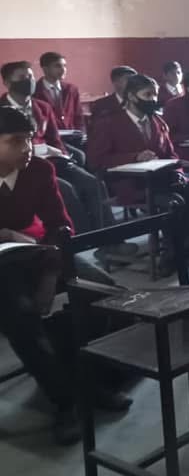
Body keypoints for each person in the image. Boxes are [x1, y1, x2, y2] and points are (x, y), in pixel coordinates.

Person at [0, 108, 131, 445]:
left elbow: (60, 226)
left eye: (30, 139)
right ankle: (65, 402)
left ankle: (89, 380)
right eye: (15, 141)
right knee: (21, 316)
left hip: (37, 253)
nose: (27, 147)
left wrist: (49, 277)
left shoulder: (39, 169)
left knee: (104, 292)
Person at [87, 74, 189, 271]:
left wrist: (179, 171)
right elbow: (96, 160)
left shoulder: (157, 121)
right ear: (131, 96)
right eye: (147, 95)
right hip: (130, 183)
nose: (152, 99)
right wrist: (134, 157)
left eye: (155, 95)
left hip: (162, 179)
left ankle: (187, 247)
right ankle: (172, 254)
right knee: (174, 204)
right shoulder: (109, 122)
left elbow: (170, 154)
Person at [1, 61, 109, 233]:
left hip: (51, 160)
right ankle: (82, 239)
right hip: (21, 165)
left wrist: (62, 156)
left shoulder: (42, 107)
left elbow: (54, 139)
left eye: (30, 76)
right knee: (67, 191)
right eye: (22, 77)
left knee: (92, 183)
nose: (28, 81)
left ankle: (109, 238)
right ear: (7, 82)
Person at [34, 51, 83, 131]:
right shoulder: (34, 90)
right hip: (48, 136)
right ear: (45, 69)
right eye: (57, 66)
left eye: (65, 66)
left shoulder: (71, 89)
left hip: (71, 135)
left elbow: (79, 116)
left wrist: (81, 133)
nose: (63, 70)